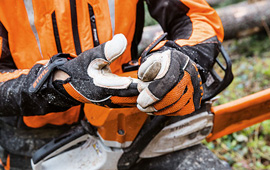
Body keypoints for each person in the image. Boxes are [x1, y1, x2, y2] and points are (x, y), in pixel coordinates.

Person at [0, 0, 226, 169]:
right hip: (34, 135)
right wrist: (56, 83)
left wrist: (185, 56)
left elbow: (197, 16)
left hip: (128, 118)